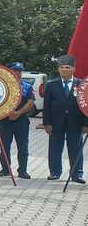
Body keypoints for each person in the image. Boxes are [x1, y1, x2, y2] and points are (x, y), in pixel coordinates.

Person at [43, 55, 85, 183]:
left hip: (76, 123)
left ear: (73, 69)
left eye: (67, 67)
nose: (64, 70)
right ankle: (55, 172)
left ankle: (76, 175)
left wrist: (86, 124)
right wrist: (47, 123)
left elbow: (85, 105)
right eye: (61, 67)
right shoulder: (51, 85)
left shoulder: (81, 84)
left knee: (76, 149)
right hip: (56, 123)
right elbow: (46, 106)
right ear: (58, 69)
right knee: (55, 148)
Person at [0, 62, 35, 179]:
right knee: (4, 146)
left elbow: (31, 102)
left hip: (21, 120)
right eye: (15, 70)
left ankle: (22, 170)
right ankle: (5, 169)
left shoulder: (27, 86)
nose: (17, 73)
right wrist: (7, 113)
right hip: (5, 120)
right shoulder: (2, 86)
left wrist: (18, 113)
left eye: (19, 71)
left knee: (23, 146)